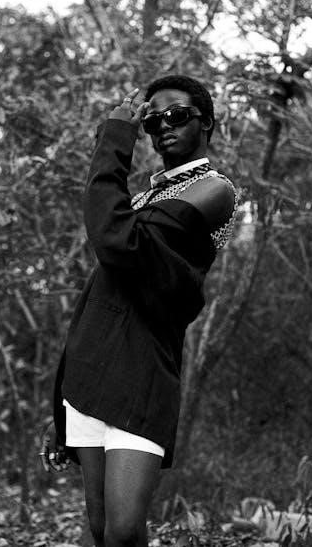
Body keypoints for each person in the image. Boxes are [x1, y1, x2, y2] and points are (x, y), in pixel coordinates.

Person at [41, 75, 238, 547]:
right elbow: (100, 298)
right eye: (152, 121)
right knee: (99, 528)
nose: (164, 127)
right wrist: (61, 404)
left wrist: (115, 138)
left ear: (206, 123)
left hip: (145, 371)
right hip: (90, 373)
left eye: (178, 116)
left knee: (125, 529)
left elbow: (117, 241)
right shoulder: (141, 201)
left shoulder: (215, 190)